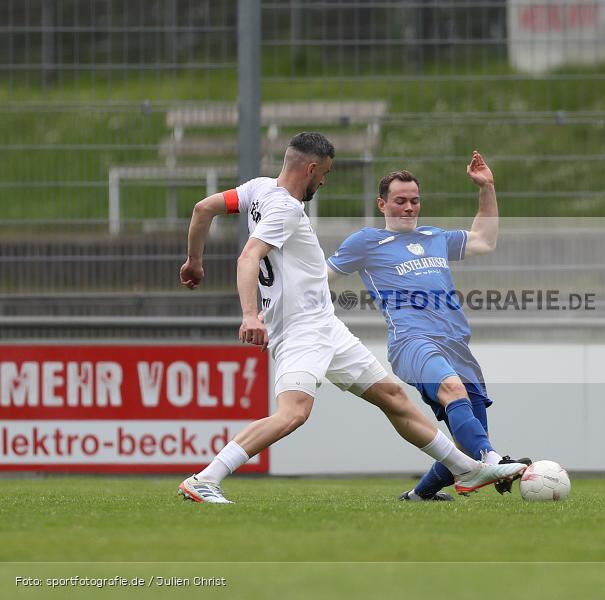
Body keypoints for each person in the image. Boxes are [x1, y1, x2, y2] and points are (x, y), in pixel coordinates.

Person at [176, 133, 526, 503]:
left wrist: (194, 261)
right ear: (312, 169)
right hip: (301, 329)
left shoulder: (257, 189)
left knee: (392, 397)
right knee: (293, 414)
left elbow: (203, 208)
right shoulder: (287, 209)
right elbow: (248, 257)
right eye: (324, 174)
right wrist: (250, 316)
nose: (323, 181)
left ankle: (466, 469)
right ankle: (205, 478)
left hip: (325, 324)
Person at [326, 152, 529, 501]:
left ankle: (419, 496)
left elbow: (485, 240)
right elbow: (320, 277)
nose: (409, 207)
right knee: (452, 390)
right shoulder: (366, 242)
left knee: (466, 442)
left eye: (415, 201)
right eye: (400, 201)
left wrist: (487, 188)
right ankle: (494, 462)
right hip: (412, 341)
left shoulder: (435, 236)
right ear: (382, 204)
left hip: (456, 344)